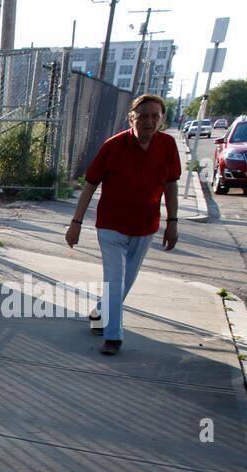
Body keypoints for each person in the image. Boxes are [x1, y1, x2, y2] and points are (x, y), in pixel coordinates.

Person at [65, 93, 179, 356]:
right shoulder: (113, 146)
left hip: (146, 226)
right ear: (132, 118)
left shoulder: (168, 145)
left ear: (161, 119)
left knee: (126, 282)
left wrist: (173, 222)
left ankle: (99, 313)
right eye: (143, 116)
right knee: (115, 281)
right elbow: (90, 185)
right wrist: (76, 223)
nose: (149, 121)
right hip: (111, 225)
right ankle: (113, 336)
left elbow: (171, 185)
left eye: (155, 116)